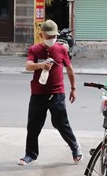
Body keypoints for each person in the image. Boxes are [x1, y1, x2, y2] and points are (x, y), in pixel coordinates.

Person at [18, 19, 82, 165]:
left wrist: (73, 88)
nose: (52, 39)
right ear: (42, 35)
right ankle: (30, 154)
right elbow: (28, 66)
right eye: (49, 37)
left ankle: (75, 147)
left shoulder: (61, 49)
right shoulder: (34, 49)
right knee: (34, 125)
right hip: (38, 93)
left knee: (61, 123)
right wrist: (41, 65)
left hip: (57, 93)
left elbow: (70, 69)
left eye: (54, 36)